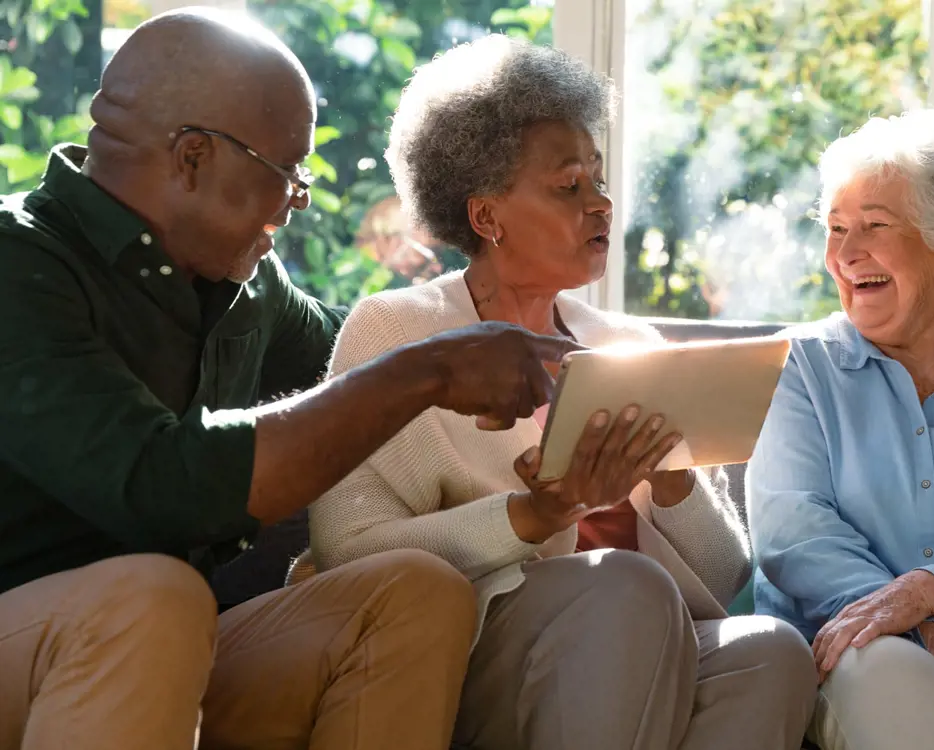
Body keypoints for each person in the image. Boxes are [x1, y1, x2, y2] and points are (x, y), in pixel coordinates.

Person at [0, 10, 583, 750]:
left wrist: (499, 320)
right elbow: (163, 485)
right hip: (44, 641)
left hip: (168, 645)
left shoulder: (248, 284)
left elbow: (361, 358)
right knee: (155, 597)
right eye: (287, 171)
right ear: (192, 158)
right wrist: (434, 366)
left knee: (413, 592)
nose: (296, 200)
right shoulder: (18, 265)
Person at [298, 35, 816, 750]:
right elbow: (344, 550)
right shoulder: (397, 332)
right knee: (624, 585)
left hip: (642, 633)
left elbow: (726, 574)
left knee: (770, 650)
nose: (601, 205)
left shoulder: (629, 346)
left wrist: (669, 483)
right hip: (473, 652)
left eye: (599, 181)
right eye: (570, 186)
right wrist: (531, 516)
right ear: (486, 216)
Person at [747, 109, 934, 750]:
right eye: (836, 229)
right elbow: (795, 539)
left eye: (873, 227)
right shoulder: (794, 366)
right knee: (885, 667)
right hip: (855, 647)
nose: (844, 255)